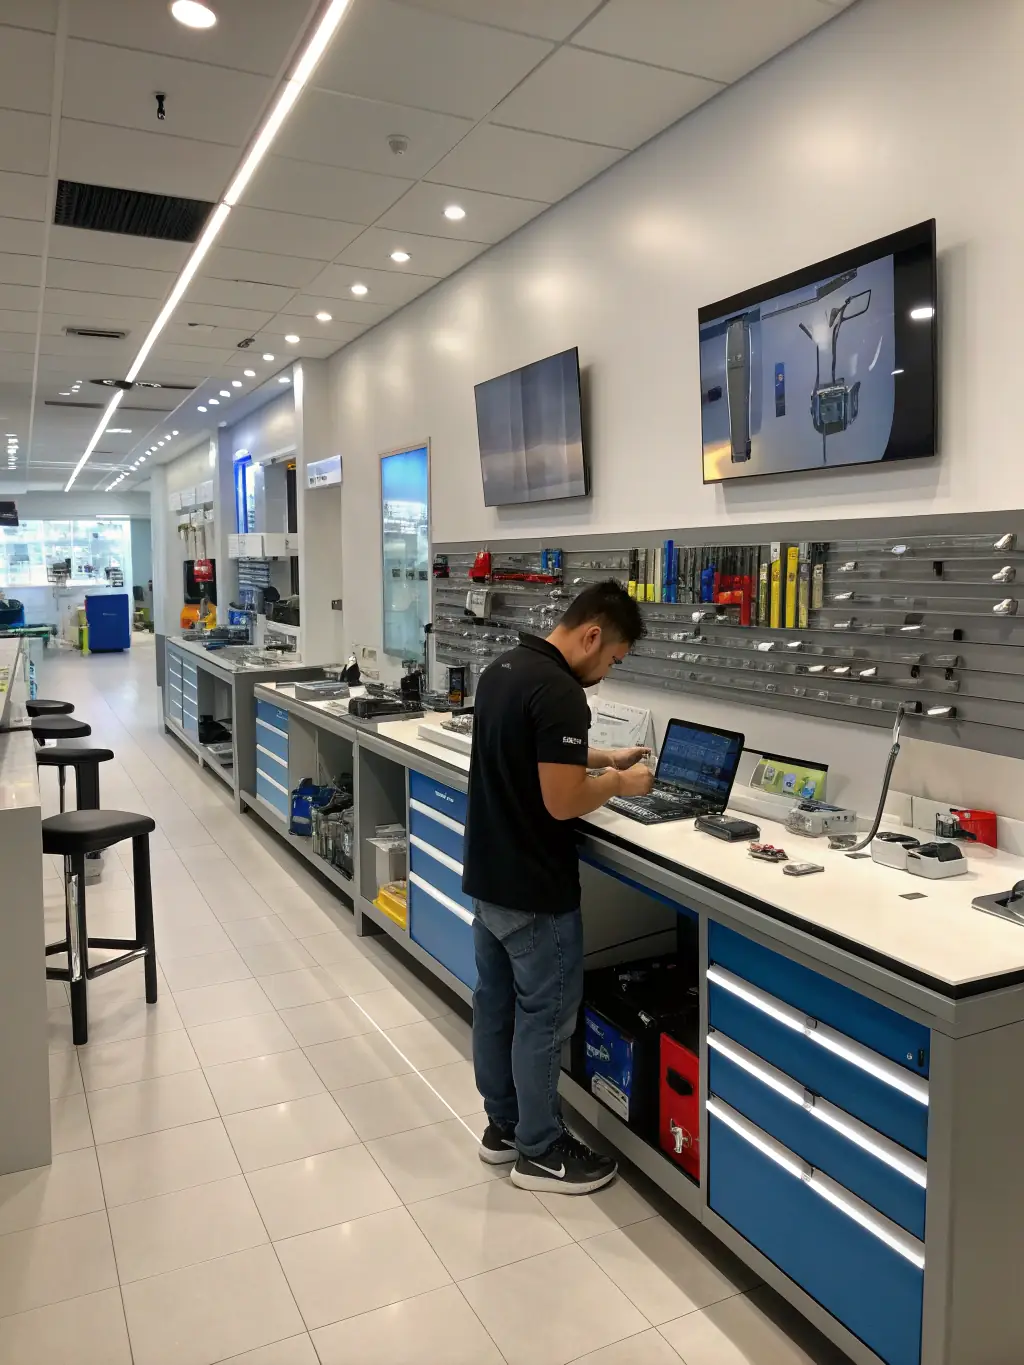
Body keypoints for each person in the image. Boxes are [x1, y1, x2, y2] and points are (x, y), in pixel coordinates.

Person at [462, 580, 654, 1194]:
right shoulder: (563, 691)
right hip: (534, 890)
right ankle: (541, 1151)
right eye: (613, 659)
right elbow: (563, 798)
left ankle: (504, 1128)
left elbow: (537, 750)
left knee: (496, 1005)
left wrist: (606, 758)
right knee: (544, 1016)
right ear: (593, 635)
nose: (607, 672)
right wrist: (622, 786)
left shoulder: (505, 669)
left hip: (490, 878)